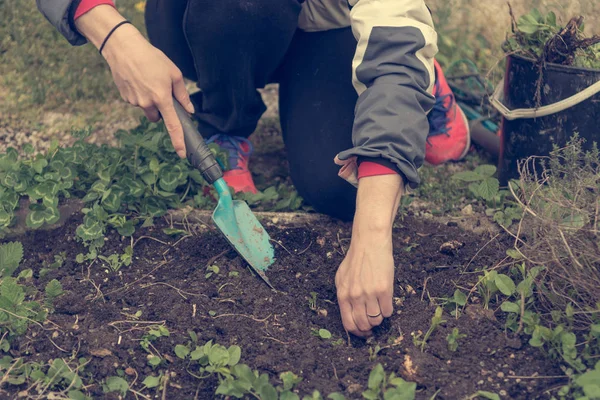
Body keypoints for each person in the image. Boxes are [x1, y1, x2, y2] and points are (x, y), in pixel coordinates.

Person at [37, 0, 470, 338]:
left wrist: (373, 236)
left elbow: (393, 43)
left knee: (341, 187)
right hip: (211, 15)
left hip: (330, 23)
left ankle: (425, 78)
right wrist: (114, 36)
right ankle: (226, 117)